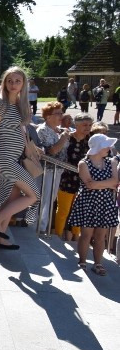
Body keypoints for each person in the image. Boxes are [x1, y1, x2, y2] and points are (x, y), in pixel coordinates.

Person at [0, 66, 40, 249]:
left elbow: (22, 131)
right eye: (10, 80)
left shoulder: (19, 104)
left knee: (8, 197)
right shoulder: (0, 102)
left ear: (23, 83)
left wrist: (32, 149)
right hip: (4, 158)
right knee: (34, 195)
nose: (13, 84)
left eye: (17, 81)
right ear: (4, 82)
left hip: (14, 158)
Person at [68, 133, 119, 276]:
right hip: (88, 202)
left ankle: (98, 263)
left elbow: (115, 182)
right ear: (98, 147)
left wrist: (97, 184)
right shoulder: (83, 163)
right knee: (86, 234)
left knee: (100, 235)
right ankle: (82, 261)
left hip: (104, 202)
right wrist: (106, 184)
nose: (109, 148)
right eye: (106, 145)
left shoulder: (112, 162)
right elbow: (89, 185)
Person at [56, 113, 93, 239]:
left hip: (83, 180)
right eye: (84, 125)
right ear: (76, 125)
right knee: (63, 210)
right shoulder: (67, 137)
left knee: (79, 211)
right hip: (66, 178)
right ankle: (58, 236)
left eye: (89, 125)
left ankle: (76, 238)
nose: (87, 127)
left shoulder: (91, 140)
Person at [35, 101, 69, 234]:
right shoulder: (43, 130)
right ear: (48, 116)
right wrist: (64, 137)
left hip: (57, 171)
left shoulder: (58, 130)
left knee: (51, 199)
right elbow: (52, 151)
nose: (61, 116)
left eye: (62, 112)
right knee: (44, 198)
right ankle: (38, 227)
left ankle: (43, 227)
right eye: (58, 113)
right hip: (46, 171)